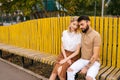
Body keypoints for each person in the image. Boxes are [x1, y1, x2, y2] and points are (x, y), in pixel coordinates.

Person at [67, 15, 101, 80]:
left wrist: (86, 67)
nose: (80, 27)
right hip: (82, 60)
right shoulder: (81, 34)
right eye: (79, 25)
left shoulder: (96, 35)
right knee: (69, 70)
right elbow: (71, 35)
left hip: (94, 62)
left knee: (89, 78)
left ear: (88, 22)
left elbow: (96, 55)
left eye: (82, 24)